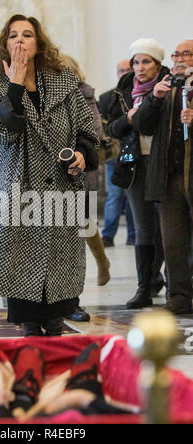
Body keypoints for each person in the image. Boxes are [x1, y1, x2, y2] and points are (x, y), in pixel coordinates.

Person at [0, 15, 99, 337]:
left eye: (27, 34)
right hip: (19, 192)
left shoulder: (65, 82)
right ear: (5, 44)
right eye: (13, 35)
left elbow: (88, 132)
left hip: (61, 189)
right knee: (22, 276)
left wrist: (81, 155)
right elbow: (3, 129)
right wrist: (15, 85)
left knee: (59, 282)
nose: (20, 40)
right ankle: (31, 341)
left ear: (38, 42)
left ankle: (56, 335)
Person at [107, 38, 169, 310]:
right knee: (143, 228)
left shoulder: (168, 87)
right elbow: (111, 129)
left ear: (158, 65)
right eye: (136, 62)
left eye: (146, 62)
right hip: (135, 165)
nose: (140, 67)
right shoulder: (121, 91)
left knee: (167, 228)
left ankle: (172, 283)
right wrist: (129, 119)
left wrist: (140, 113)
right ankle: (145, 286)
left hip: (166, 164)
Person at [133, 40, 193, 315]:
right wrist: (154, 99)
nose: (180, 59)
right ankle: (178, 297)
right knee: (173, 242)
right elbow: (142, 125)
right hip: (169, 178)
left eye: (187, 54)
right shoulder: (167, 85)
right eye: (176, 54)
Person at [60, 54, 110, 323]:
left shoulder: (83, 94)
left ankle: (100, 264)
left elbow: (93, 132)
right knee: (76, 227)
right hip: (55, 174)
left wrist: (78, 151)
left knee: (81, 227)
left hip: (81, 171)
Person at [99, 60, 136, 248]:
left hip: (132, 152)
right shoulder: (106, 97)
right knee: (114, 195)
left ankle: (132, 235)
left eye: (127, 70)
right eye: (120, 70)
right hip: (114, 152)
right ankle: (107, 236)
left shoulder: (137, 94)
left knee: (131, 196)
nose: (123, 73)